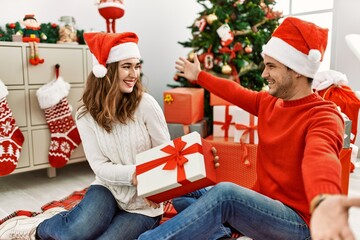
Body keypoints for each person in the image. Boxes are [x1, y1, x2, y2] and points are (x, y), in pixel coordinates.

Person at [137, 17, 360, 240]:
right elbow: (235, 91)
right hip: (263, 205)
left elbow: (321, 158)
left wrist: (326, 203)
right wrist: (199, 76)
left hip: (298, 223)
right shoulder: (270, 102)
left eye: (271, 66)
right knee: (184, 194)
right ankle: (223, 232)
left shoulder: (324, 116)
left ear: (298, 71)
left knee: (225, 194)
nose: (264, 74)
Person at [0, 32, 171, 240]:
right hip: (108, 189)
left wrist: (153, 186)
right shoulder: (85, 116)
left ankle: (73, 219)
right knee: (74, 233)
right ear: (106, 70)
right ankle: (36, 228)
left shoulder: (146, 104)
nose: (134, 74)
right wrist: (133, 174)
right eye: (126, 66)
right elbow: (99, 165)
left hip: (144, 204)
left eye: (137, 66)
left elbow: (166, 155)